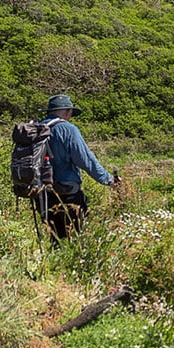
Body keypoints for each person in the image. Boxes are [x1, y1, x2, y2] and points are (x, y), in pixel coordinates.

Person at [39, 93, 117, 243]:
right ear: (68, 111)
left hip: (42, 193)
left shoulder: (37, 128)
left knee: (55, 238)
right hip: (67, 193)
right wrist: (109, 180)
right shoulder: (68, 130)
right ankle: (71, 264)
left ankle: (52, 264)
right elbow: (86, 160)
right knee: (75, 238)